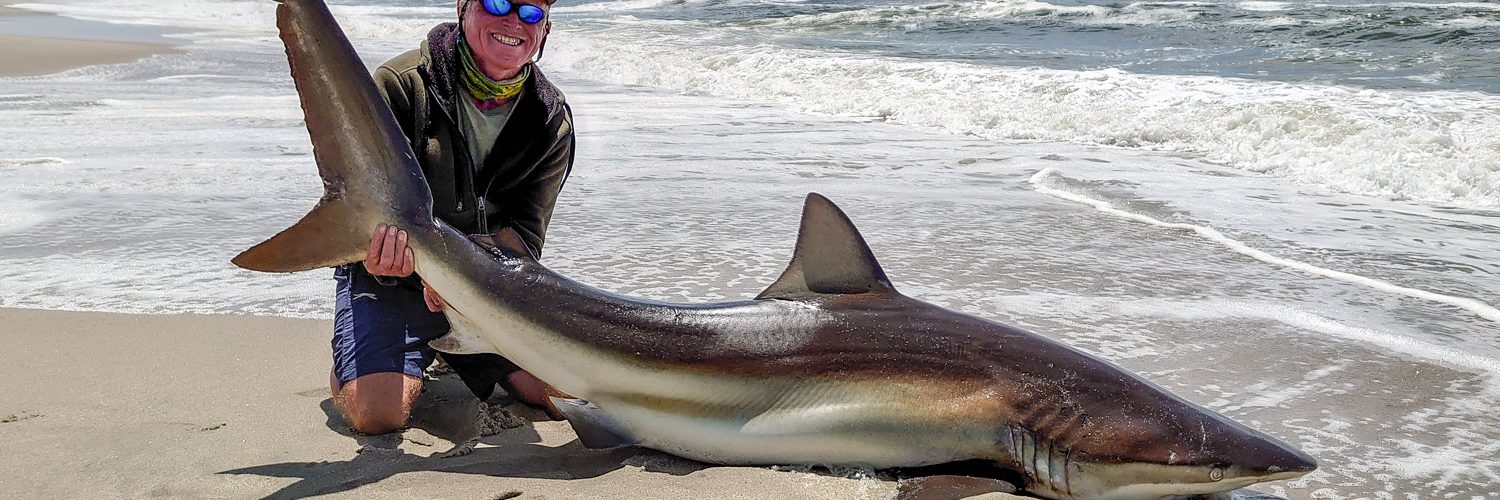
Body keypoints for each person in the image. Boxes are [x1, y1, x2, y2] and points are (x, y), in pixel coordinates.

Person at [329, 0, 574, 435]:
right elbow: (358, 206)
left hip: (484, 289)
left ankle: (452, 346)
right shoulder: (400, 87)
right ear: (463, 8)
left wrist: (466, 289)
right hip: (392, 274)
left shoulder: (549, 119)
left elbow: (524, 240)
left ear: (546, 30)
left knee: (564, 396)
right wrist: (374, 252)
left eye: (532, 13)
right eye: (498, 2)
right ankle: (357, 361)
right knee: (378, 414)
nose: (514, 20)